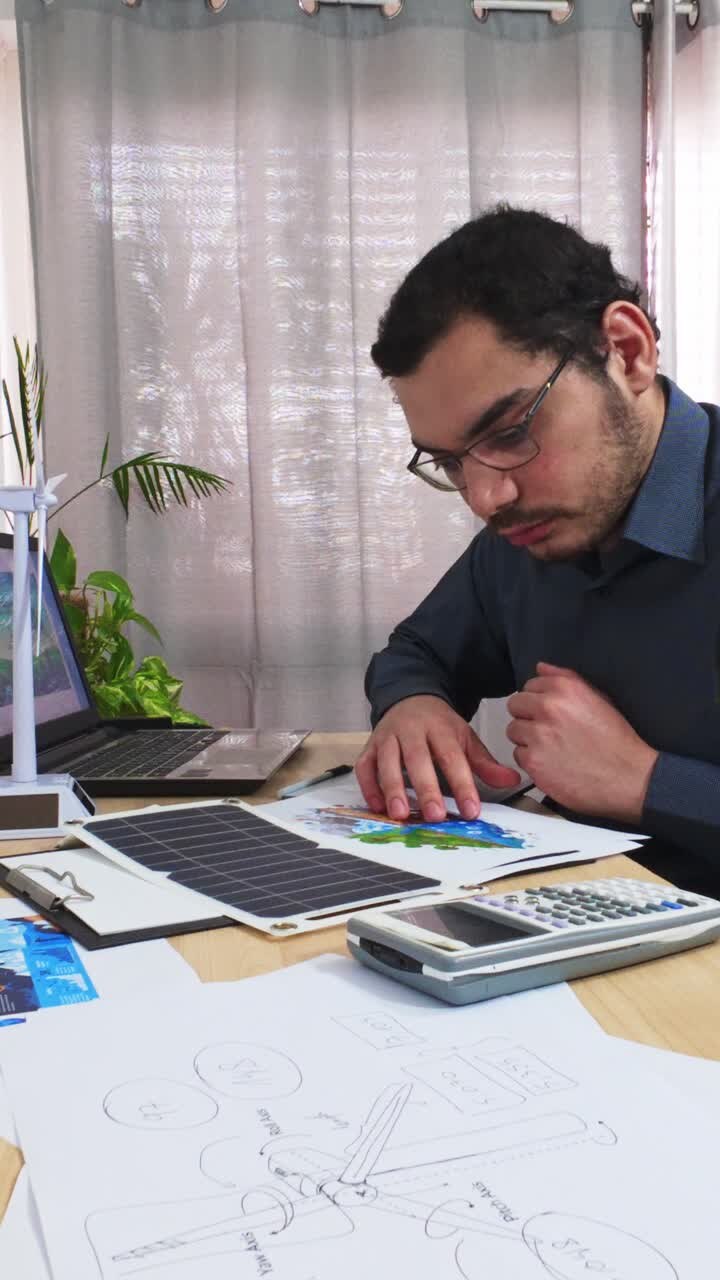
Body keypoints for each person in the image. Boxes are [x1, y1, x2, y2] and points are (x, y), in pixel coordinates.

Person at [356, 205, 720, 893]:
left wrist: (644, 781)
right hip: (560, 930)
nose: (485, 499)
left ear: (628, 350)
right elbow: (419, 653)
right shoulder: (531, 531)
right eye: (452, 462)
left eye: (508, 432)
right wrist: (413, 708)